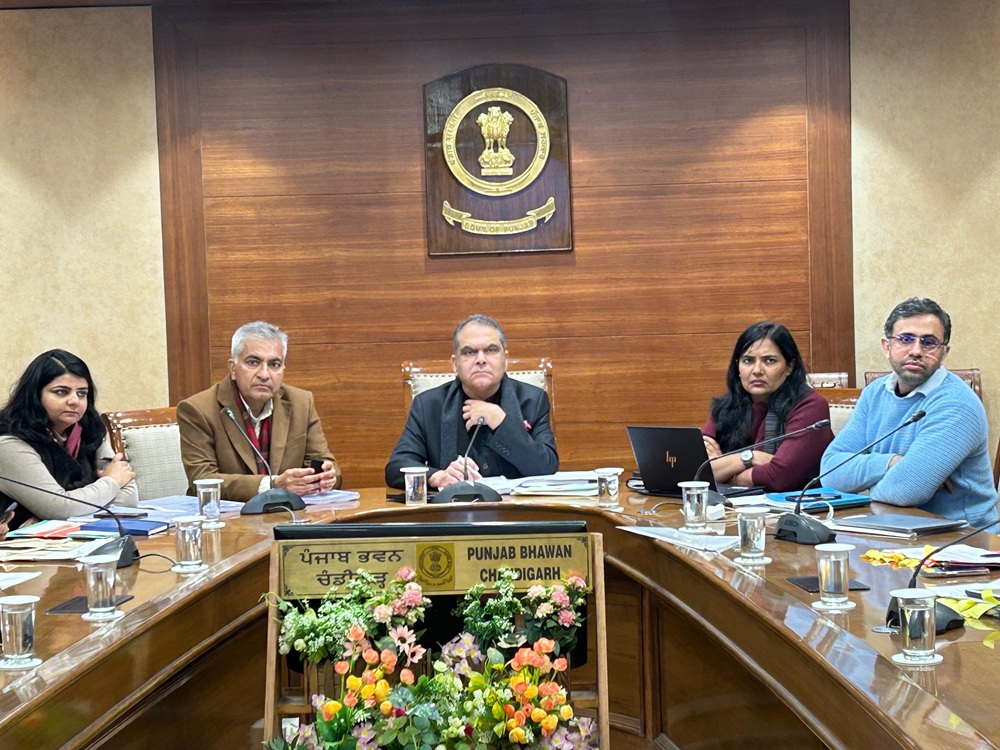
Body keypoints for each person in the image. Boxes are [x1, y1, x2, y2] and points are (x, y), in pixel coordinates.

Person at [821, 298, 998, 526]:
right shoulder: (874, 393)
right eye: (905, 339)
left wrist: (866, 480)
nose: (916, 351)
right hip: (892, 529)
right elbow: (829, 472)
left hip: (962, 538)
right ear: (887, 346)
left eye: (929, 342)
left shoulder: (957, 404)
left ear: (944, 352)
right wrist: (892, 462)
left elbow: (904, 491)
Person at [385, 314, 558, 490]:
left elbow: (547, 468)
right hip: (453, 506)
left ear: (505, 360)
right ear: (455, 363)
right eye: (469, 352)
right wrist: (436, 477)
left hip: (515, 506)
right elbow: (396, 467)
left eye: (491, 350)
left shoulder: (533, 400)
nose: (481, 360)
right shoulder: (428, 405)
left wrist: (501, 422)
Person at [177, 321, 341, 502]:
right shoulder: (198, 409)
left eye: (274, 364)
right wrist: (272, 485)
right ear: (233, 368)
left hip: (288, 514)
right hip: (227, 516)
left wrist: (326, 476)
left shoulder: (301, 403)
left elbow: (327, 464)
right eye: (253, 362)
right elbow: (202, 479)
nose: (264, 374)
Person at [0, 350, 138, 529]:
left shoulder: (90, 429)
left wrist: (52, 517)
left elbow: (128, 498)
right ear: (35, 395)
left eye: (82, 393)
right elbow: (60, 507)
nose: (74, 401)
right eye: (61, 392)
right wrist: (111, 482)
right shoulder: (10, 442)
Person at [702, 322, 833, 492]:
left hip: (796, 505)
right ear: (738, 366)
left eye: (769, 361)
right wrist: (752, 457)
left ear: (790, 366)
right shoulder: (726, 406)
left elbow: (780, 477)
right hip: (731, 506)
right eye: (748, 361)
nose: (757, 370)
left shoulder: (810, 406)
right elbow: (697, 470)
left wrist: (725, 472)